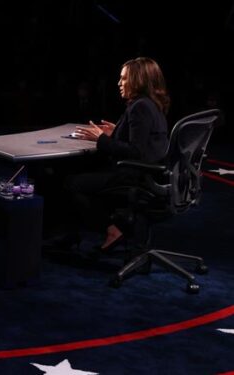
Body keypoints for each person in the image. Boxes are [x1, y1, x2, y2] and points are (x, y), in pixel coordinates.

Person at [67, 57, 170, 252]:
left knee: (72, 183)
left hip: (135, 177)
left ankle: (113, 229)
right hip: (150, 174)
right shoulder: (152, 104)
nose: (119, 83)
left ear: (138, 80)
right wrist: (117, 132)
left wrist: (101, 140)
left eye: (123, 78)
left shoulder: (140, 107)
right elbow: (145, 141)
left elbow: (136, 152)